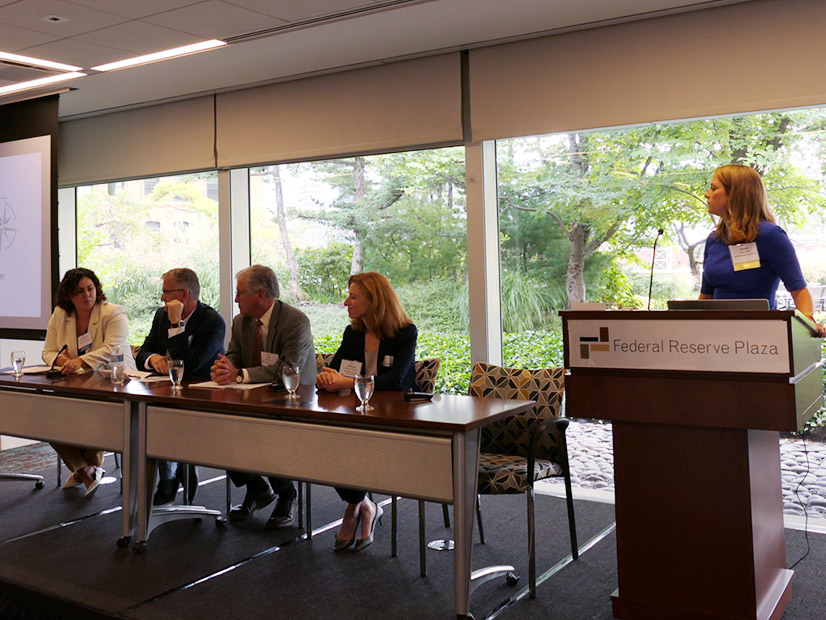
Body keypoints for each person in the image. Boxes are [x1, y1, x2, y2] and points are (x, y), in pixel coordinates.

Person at [317, 272, 417, 551]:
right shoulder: (353, 332)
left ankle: (353, 509)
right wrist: (325, 378)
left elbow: (396, 380)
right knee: (323, 441)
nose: (345, 302)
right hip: (357, 415)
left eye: (353, 296)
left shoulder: (405, 332)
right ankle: (364, 504)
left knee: (345, 444)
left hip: (394, 419)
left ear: (374, 300)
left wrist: (346, 382)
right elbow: (335, 369)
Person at [211, 265, 316, 528]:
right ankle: (258, 488)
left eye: (239, 294)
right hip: (253, 396)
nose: (235, 300)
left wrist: (239, 374)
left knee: (264, 430)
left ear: (259, 294)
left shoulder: (296, 320)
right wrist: (224, 368)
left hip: (293, 398)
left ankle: (286, 493)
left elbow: (287, 369)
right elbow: (235, 355)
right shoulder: (241, 321)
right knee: (219, 426)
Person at [700, 164, 826, 337]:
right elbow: (705, 298)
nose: (707, 194)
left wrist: (808, 321)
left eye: (714, 188)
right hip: (718, 337)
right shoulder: (713, 240)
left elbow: (800, 291)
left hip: (760, 339)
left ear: (736, 194)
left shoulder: (770, 236)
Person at [42, 268, 136, 497]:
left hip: (115, 381)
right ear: (68, 296)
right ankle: (86, 469)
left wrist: (79, 361)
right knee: (46, 415)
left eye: (90, 289)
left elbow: (111, 348)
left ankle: (88, 465)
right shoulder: (60, 315)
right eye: (80, 291)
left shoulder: (113, 313)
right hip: (77, 384)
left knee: (89, 416)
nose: (87, 295)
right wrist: (62, 360)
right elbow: (48, 351)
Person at [136, 268, 226, 506]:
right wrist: (151, 359)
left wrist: (177, 324)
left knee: (162, 417)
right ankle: (173, 475)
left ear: (184, 294)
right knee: (147, 415)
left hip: (200, 397)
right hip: (163, 390)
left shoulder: (211, 321)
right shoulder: (160, 315)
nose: (162, 298)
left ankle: (171, 477)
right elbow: (142, 351)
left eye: (166, 292)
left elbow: (191, 365)